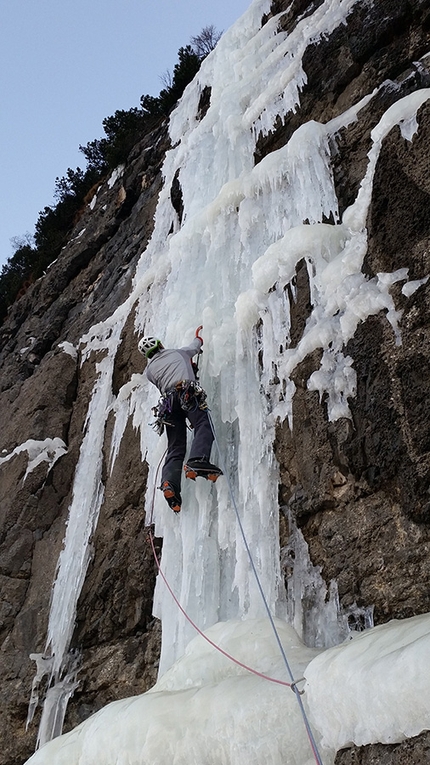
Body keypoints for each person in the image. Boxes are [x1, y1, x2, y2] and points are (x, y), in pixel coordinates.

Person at [139, 326, 222, 513]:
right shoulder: (179, 352)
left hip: (168, 406)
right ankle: (197, 460)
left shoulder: (150, 371)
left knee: (175, 448)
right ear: (160, 344)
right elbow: (194, 347)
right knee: (202, 424)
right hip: (186, 393)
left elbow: (165, 375)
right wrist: (199, 337)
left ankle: (169, 484)